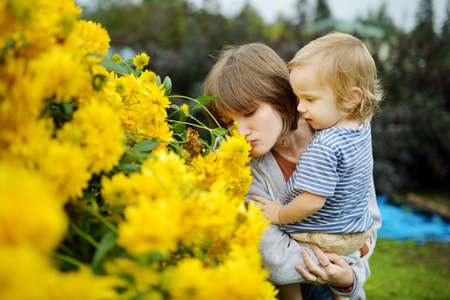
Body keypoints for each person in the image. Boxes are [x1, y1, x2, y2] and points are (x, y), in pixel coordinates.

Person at [203, 41, 382, 300]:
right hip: (276, 286)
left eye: (249, 112)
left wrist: (351, 277)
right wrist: (341, 261)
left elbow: (367, 214)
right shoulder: (238, 163)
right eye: (229, 122)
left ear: (278, 94)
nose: (240, 132)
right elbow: (273, 256)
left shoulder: (337, 130)